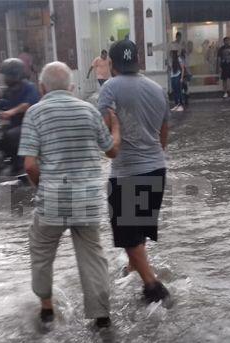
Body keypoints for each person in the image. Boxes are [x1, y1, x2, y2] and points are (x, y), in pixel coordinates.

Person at [19, 61, 121, 328]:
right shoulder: (88, 110)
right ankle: (101, 316)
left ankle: (47, 310)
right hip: (87, 200)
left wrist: (43, 186)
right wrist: (117, 128)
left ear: (42, 88)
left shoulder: (34, 113)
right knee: (93, 256)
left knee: (41, 251)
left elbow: (29, 164)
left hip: (52, 200)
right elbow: (111, 150)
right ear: (72, 87)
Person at [98, 39, 171, 304]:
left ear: (112, 64)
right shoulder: (157, 88)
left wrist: (116, 132)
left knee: (129, 237)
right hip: (156, 169)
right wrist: (153, 155)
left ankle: (153, 287)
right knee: (138, 230)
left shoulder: (109, 88)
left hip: (127, 174)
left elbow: (107, 144)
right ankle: (133, 268)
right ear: (137, 60)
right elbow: (164, 133)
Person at [0, 58, 40, 173]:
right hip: (14, 124)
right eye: (5, 75)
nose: (5, 78)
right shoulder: (9, 90)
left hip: (30, 126)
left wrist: (12, 112)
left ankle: (20, 166)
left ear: (16, 74)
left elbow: (27, 104)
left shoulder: (30, 87)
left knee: (11, 135)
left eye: (7, 75)